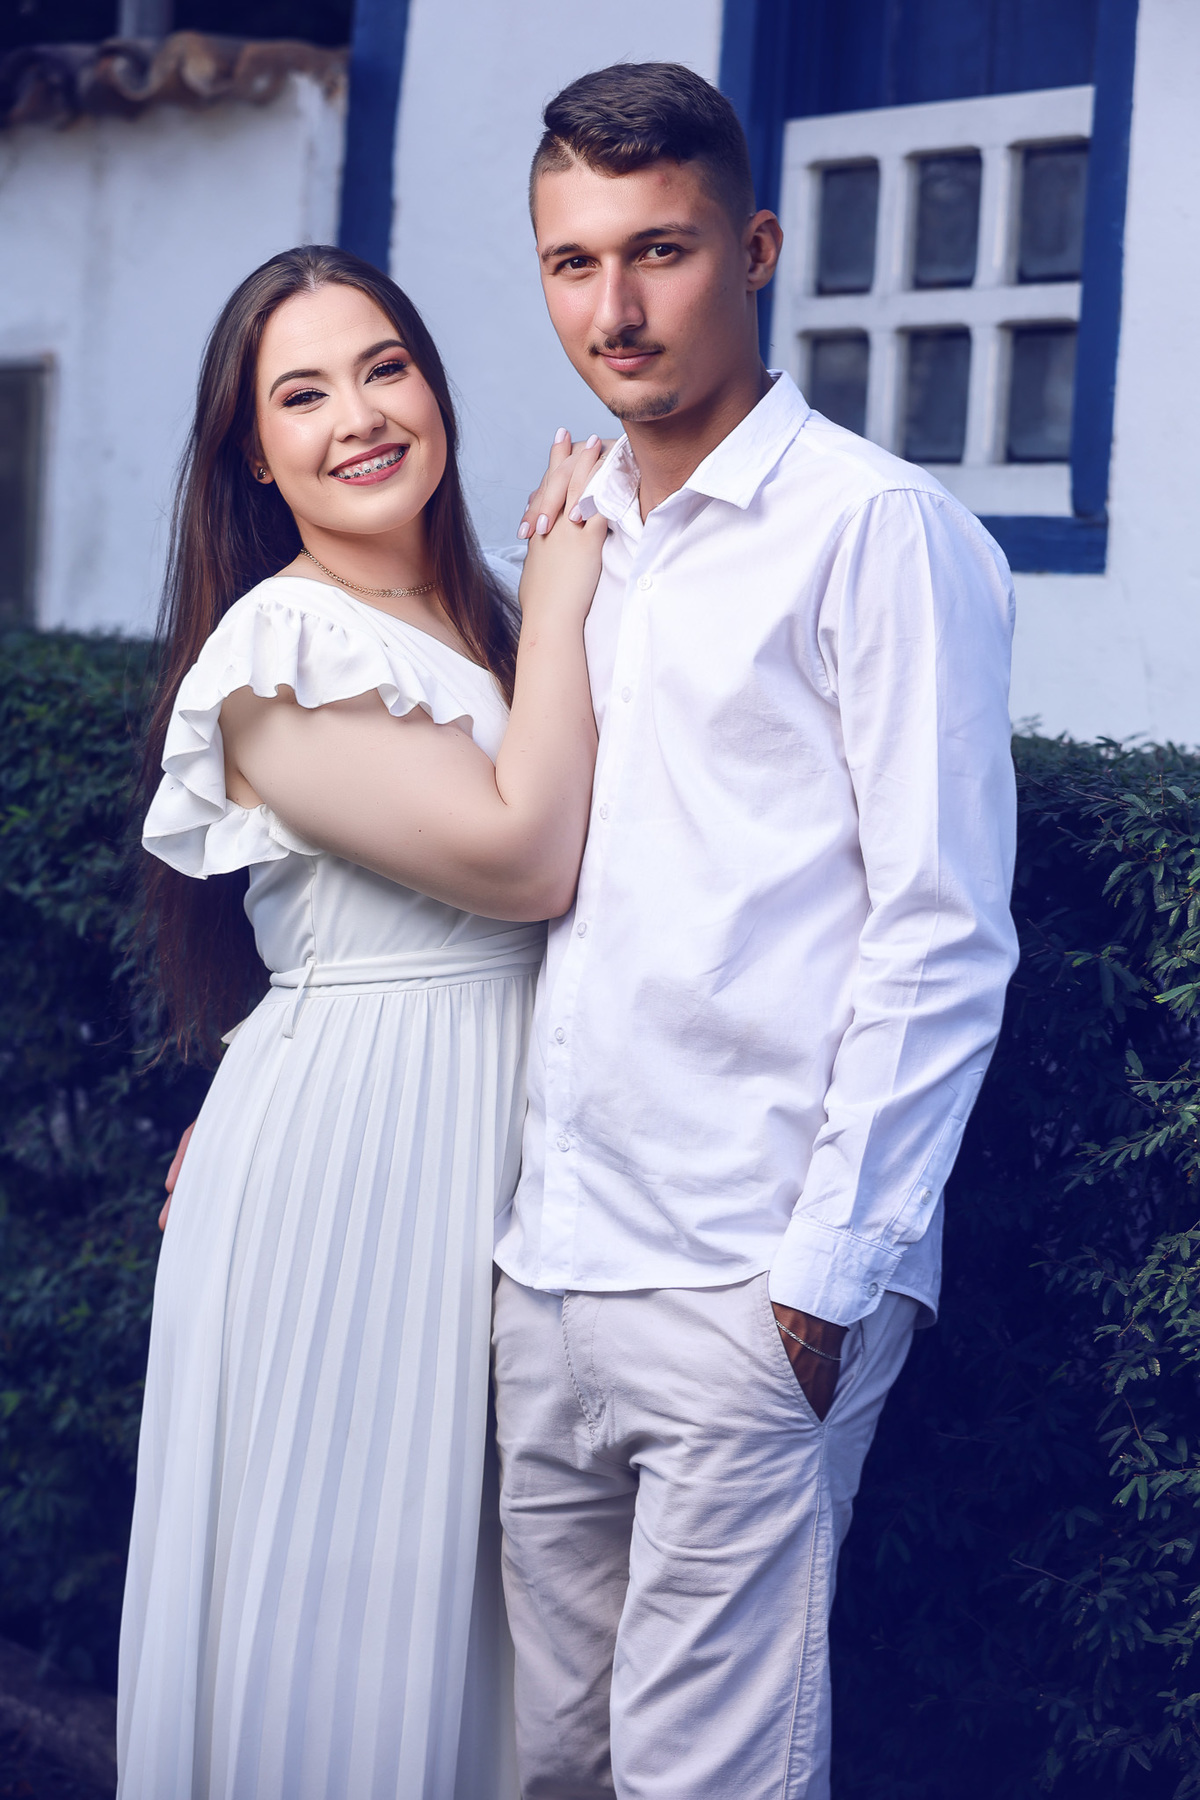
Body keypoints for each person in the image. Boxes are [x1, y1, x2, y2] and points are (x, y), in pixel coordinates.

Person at [490, 63, 1021, 1799]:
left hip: (744, 1277)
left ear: (759, 249)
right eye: (574, 263)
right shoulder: (583, 538)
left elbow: (942, 927)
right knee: (555, 1765)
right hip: (553, 1272)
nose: (616, 311)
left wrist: (827, 1281)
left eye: (661, 251)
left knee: (705, 1779)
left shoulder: (877, 530)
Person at [118, 243, 605, 1800]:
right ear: (253, 459)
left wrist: (550, 606)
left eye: (384, 367)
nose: (360, 416)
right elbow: (525, 862)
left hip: (501, 1148)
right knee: (345, 1606)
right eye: (303, 394)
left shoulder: (484, 623)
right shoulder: (278, 651)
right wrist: (575, 592)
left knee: (484, 1618)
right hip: (353, 1170)